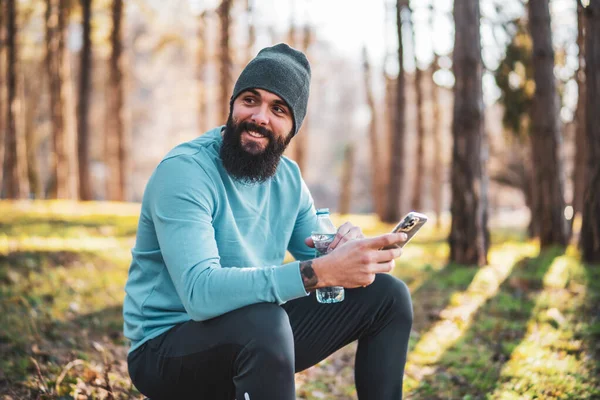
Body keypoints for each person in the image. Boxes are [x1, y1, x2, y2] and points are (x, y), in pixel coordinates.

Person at [123, 43, 413, 400]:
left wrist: (347, 250)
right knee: (264, 321)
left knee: (389, 296)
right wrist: (317, 273)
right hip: (165, 350)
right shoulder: (186, 171)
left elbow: (322, 250)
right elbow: (199, 293)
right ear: (232, 107)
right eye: (250, 100)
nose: (260, 116)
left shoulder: (287, 179)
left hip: (254, 334)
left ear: (292, 128)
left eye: (278, 109)